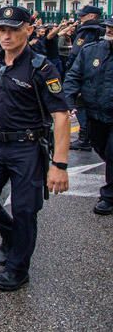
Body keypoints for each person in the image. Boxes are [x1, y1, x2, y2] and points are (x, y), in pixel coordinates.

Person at [0, 6, 70, 292]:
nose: (5, 35)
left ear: (28, 30)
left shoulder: (42, 68)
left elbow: (60, 116)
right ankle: (10, 235)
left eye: (12, 29)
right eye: (1, 29)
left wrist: (59, 165)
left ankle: (18, 269)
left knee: (25, 211)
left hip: (27, 148)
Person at [63, 17, 113, 215]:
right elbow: (74, 76)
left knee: (112, 152)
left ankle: (108, 196)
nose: (109, 31)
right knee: (100, 146)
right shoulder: (91, 50)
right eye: (109, 27)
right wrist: (68, 101)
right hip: (94, 112)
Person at [67, 5, 105, 152]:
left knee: (81, 104)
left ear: (91, 16)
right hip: (96, 74)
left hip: (84, 74)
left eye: (83, 16)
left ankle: (84, 138)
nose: (80, 18)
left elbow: (76, 53)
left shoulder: (88, 31)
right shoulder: (100, 30)